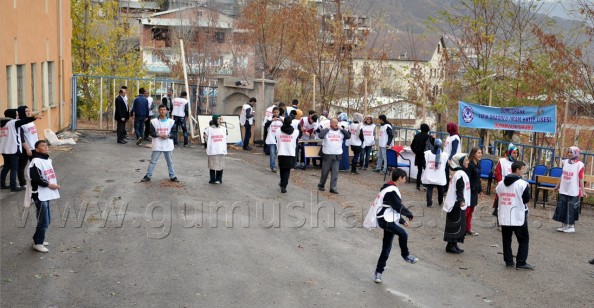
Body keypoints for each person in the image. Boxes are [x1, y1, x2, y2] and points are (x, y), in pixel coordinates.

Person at [373, 168, 418, 283]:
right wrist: (409, 214)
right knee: (403, 234)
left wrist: (402, 221)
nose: (405, 180)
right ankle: (406, 255)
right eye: (405, 178)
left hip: (389, 219)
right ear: (400, 178)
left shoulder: (389, 188)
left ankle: (378, 272)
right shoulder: (391, 190)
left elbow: (393, 209)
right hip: (385, 220)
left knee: (386, 248)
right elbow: (398, 206)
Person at [496, 161, 534, 270]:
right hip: (518, 216)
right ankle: (521, 262)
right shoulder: (522, 184)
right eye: (523, 169)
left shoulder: (501, 183)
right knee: (523, 240)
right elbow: (526, 199)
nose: (523, 171)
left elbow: (499, 194)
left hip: (505, 215)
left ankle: (508, 261)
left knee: (506, 239)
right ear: (517, 170)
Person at [27, 140, 60, 253]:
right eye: (42, 146)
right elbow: (36, 178)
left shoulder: (46, 160)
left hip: (46, 194)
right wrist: (50, 185)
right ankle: (38, 243)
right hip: (39, 195)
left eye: (46, 145)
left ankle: (37, 239)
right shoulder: (35, 161)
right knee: (44, 221)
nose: (46, 147)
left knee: (46, 219)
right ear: (37, 149)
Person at [1, 109, 38, 191]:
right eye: (16, 115)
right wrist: (33, 118)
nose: (18, 116)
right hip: (13, 149)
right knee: (14, 168)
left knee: (6, 167)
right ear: (13, 115)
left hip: (4, 149)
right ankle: (13, 186)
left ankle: (2, 184)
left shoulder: (2, 124)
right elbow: (23, 121)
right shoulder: (13, 123)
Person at [141, 105, 179, 183]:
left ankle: (172, 176)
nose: (162, 111)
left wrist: (168, 135)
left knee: (170, 162)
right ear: (158, 111)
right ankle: (148, 176)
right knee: (153, 161)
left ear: (167, 111)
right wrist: (159, 135)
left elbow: (174, 133)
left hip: (167, 144)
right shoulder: (154, 121)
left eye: (164, 110)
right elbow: (151, 132)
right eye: (161, 110)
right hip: (157, 144)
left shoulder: (171, 122)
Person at [553, 146, 587, 233]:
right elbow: (562, 175)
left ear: (576, 153)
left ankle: (571, 226)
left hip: (573, 190)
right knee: (562, 207)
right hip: (564, 189)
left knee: (571, 208)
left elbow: (581, 178)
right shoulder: (565, 162)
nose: (569, 154)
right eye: (568, 152)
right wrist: (557, 186)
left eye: (571, 152)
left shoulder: (579, 165)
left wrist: (583, 190)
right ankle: (564, 225)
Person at [443, 153, 470, 254]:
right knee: (454, 224)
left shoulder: (460, 173)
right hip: (456, 203)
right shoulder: (459, 174)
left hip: (456, 203)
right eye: (466, 160)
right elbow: (460, 188)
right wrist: (461, 200)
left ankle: (454, 244)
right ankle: (450, 245)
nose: (468, 162)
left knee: (459, 224)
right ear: (460, 162)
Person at [317, 118, 351, 194]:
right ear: (330, 123)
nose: (336, 124)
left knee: (335, 172)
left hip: (337, 154)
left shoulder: (341, 131)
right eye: (334, 123)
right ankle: (321, 184)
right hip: (327, 153)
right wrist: (327, 128)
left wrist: (341, 128)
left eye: (337, 123)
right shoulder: (327, 130)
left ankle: (333, 187)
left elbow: (348, 136)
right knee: (325, 171)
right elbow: (320, 136)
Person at [492, 143, 519, 224]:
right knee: (501, 204)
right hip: (503, 186)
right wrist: (501, 183)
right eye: (514, 152)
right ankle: (500, 222)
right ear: (509, 152)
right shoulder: (502, 161)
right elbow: (497, 173)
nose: (515, 154)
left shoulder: (516, 163)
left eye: (516, 153)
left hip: (513, 187)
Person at [276, 116, 300, 193]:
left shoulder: (278, 130)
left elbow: (277, 139)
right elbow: (296, 140)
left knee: (282, 169)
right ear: (291, 122)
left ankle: (282, 182)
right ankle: (284, 186)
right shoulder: (296, 132)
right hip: (290, 153)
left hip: (281, 152)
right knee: (287, 170)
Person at [17, 106, 39, 188]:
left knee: (35, 165)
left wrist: (38, 145)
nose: (28, 112)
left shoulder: (30, 121)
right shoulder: (20, 123)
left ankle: (36, 180)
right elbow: (21, 138)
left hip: (34, 147)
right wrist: (27, 149)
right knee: (22, 166)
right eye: (26, 111)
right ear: (22, 112)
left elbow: (35, 134)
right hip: (26, 148)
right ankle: (22, 183)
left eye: (29, 111)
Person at [422, 139, 448, 208]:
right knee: (440, 188)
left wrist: (427, 169)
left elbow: (424, 163)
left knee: (430, 188)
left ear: (433, 144)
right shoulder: (445, 155)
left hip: (430, 174)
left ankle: (429, 203)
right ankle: (440, 201)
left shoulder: (427, 153)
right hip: (440, 175)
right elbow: (446, 166)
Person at [204, 114, 227, 184]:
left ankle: (219, 179)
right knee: (212, 165)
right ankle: (212, 179)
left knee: (220, 165)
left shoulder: (223, 129)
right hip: (213, 150)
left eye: (220, 119)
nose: (220, 120)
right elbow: (206, 138)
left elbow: (225, 138)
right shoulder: (209, 129)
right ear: (215, 120)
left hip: (220, 150)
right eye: (218, 119)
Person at [465, 147, 483, 236]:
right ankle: (462, 228)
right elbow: (467, 178)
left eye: (481, 153)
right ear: (474, 154)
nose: (480, 154)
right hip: (469, 190)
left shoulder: (478, 164)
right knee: (467, 210)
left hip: (475, 190)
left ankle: (468, 228)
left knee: (471, 210)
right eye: (478, 153)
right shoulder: (470, 165)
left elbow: (478, 178)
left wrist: (480, 189)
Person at [411, 123, 431, 190]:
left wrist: (415, 152)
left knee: (419, 171)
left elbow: (412, 146)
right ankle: (425, 185)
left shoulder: (417, 136)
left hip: (418, 155)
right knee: (426, 170)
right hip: (426, 156)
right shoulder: (428, 137)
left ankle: (418, 186)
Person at [263, 107, 283, 172]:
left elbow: (287, 125)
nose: (276, 113)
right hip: (272, 138)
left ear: (279, 112)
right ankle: (273, 166)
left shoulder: (282, 119)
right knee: (272, 153)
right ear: (272, 113)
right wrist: (271, 120)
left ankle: (281, 165)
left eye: (277, 112)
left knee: (280, 153)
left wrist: (282, 121)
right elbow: (266, 126)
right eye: (274, 112)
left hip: (280, 139)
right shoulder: (269, 119)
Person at [443, 122, 461, 191]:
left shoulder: (455, 138)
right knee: (446, 173)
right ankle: (445, 187)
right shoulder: (449, 136)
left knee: (450, 175)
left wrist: (450, 159)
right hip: (446, 158)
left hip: (452, 159)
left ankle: (448, 189)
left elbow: (454, 150)